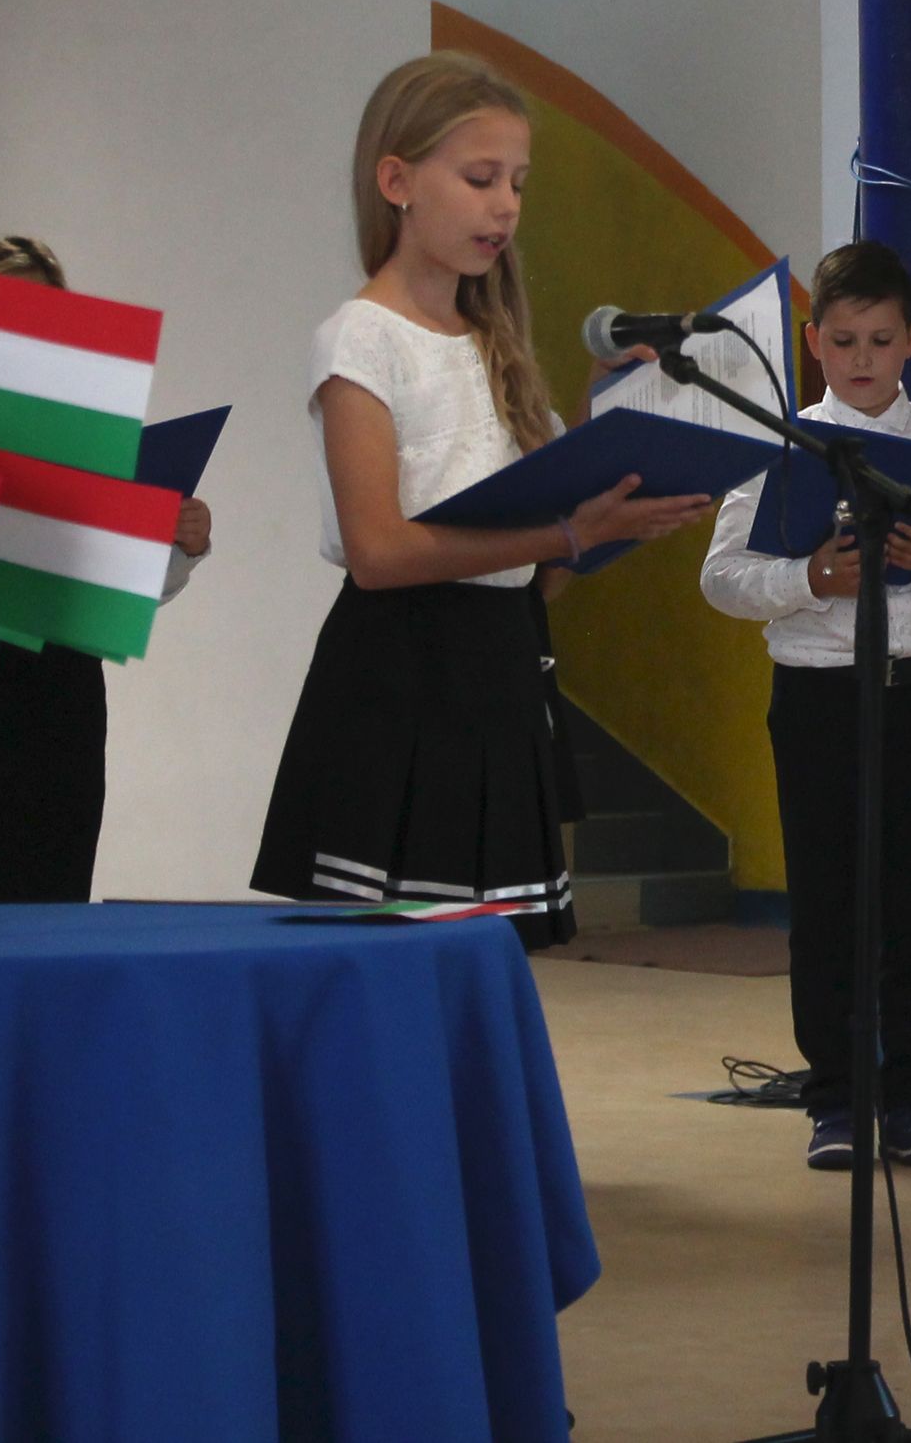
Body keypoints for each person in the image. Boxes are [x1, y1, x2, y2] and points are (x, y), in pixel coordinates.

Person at [250, 54, 710, 949]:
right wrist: (566, 532)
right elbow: (379, 553)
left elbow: (540, 573)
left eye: (518, 185)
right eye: (480, 178)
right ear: (397, 182)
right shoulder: (361, 338)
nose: (505, 206)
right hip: (399, 679)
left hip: (499, 670)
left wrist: (603, 444)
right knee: (389, 957)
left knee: (491, 954)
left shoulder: (497, 346)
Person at [699, 240, 911, 1171]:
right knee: (827, 905)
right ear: (813, 342)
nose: (861, 359)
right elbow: (722, 578)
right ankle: (836, 1105)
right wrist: (809, 577)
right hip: (819, 696)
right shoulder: (780, 444)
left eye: (881, 340)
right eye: (843, 341)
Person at [0, 234, 215, 905]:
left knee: (52, 897)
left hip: (60, 701)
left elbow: (114, 585)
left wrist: (180, 544)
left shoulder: (88, 440)